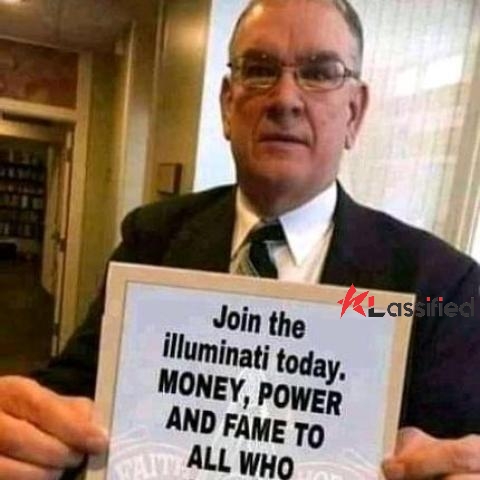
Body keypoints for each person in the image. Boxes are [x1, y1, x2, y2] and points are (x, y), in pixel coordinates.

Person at [1, 0, 480, 479]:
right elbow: (73, 393)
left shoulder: (441, 285)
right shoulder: (153, 237)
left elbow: (456, 441)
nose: (286, 99)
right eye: (260, 70)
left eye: (319, 73)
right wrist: (24, 425)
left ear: (354, 113)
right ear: (228, 105)